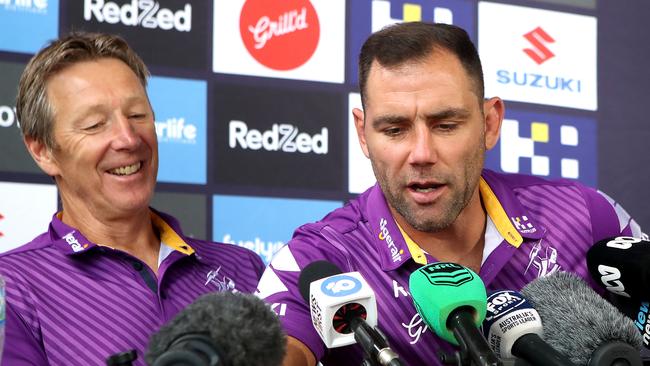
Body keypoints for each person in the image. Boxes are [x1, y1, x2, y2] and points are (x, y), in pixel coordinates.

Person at [256, 22, 645, 366]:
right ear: (363, 133)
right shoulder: (315, 261)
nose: (422, 154)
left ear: (490, 123)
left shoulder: (587, 216)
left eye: (445, 125)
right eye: (394, 129)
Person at [0, 32, 264, 365]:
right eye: (95, 124)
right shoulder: (12, 289)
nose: (127, 138)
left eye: (138, 115)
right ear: (42, 151)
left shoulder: (243, 267)